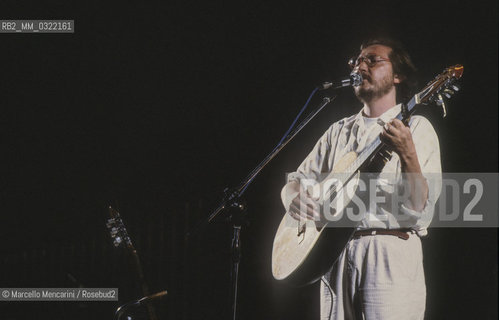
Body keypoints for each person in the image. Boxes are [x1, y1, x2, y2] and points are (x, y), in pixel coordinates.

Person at [280, 38, 442, 319]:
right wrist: (293, 197)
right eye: (357, 61)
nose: (360, 65)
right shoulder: (338, 131)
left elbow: (420, 210)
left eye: (372, 60)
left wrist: (408, 154)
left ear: (398, 75)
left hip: (389, 252)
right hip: (335, 256)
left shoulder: (416, 127)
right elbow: (296, 180)